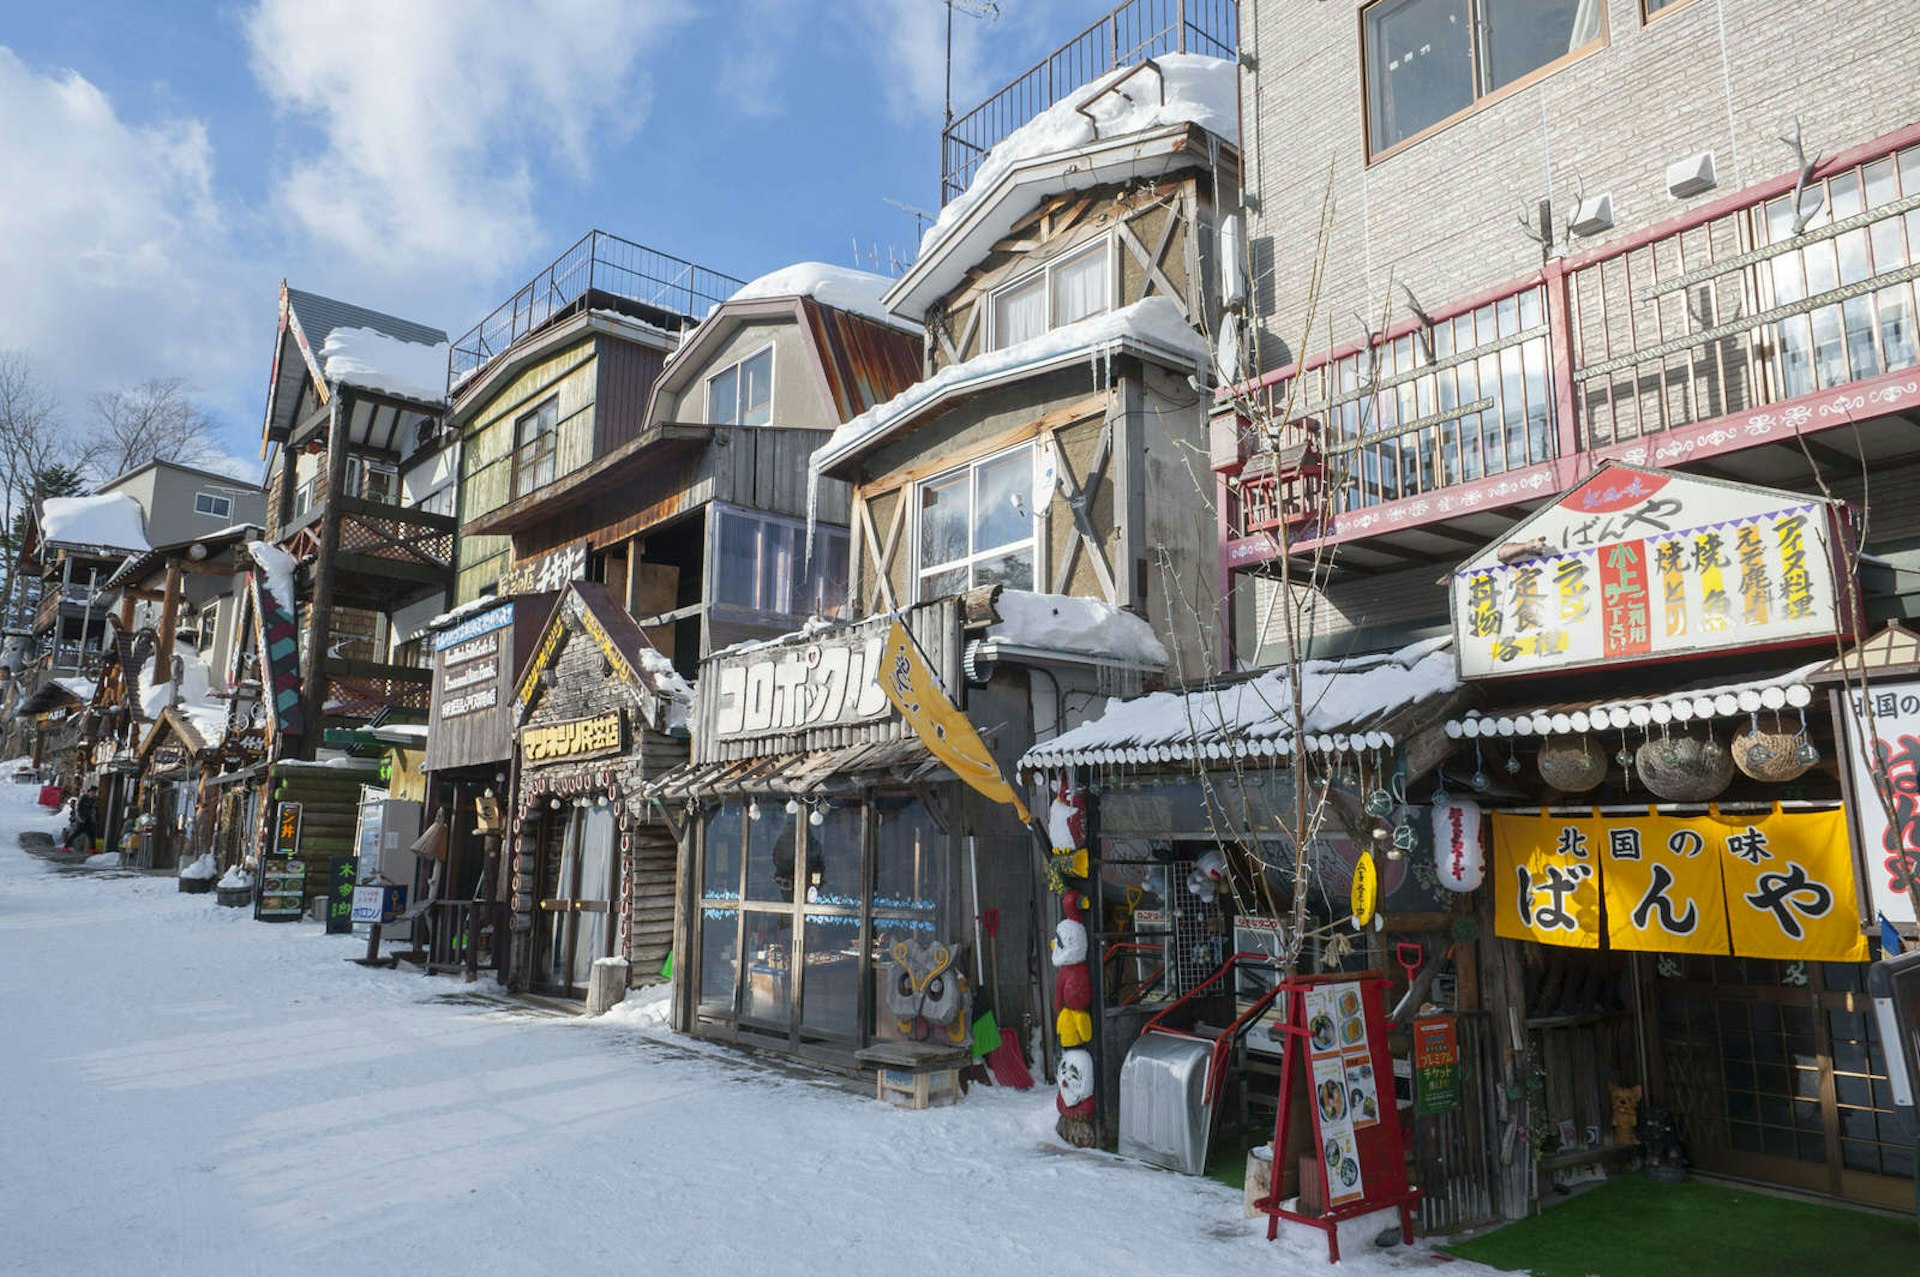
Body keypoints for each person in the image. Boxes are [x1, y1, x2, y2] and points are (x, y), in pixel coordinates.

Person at [63, 786, 97, 854]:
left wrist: (92, 817)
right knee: (76, 834)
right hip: (83, 820)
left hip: (89, 820)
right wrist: (81, 818)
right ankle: (65, 847)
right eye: (92, 792)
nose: (93, 794)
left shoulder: (91, 799)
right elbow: (78, 809)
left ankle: (93, 849)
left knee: (92, 835)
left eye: (94, 793)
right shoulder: (83, 798)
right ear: (89, 791)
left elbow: (91, 809)